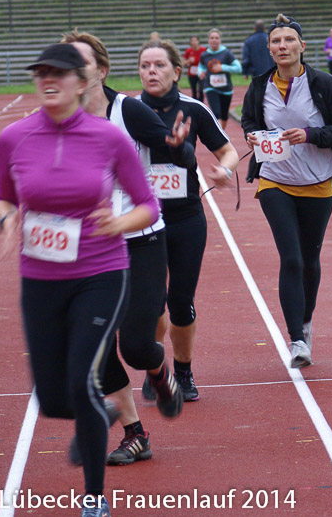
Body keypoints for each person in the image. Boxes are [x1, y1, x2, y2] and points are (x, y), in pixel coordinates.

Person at [0, 43, 159, 517]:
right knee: (53, 398)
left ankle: (94, 498)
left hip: (100, 272)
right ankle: (100, 412)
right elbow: (3, 196)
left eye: (60, 72)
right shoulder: (13, 138)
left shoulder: (107, 137)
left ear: (82, 82)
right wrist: (6, 219)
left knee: (82, 375)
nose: (49, 79)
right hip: (40, 276)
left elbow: (148, 205)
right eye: (41, 72)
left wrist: (119, 223)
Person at [61, 30, 192, 466]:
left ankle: (158, 372)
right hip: (90, 249)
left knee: (136, 345)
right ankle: (136, 435)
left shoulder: (128, 111)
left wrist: (178, 146)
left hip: (141, 242)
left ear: (100, 70)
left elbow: (178, 152)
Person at [241, 14, 332, 369]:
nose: (283, 46)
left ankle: (306, 323)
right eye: (276, 41)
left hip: (317, 183)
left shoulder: (323, 84)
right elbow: (249, 120)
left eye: (289, 40)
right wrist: (252, 135)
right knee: (290, 258)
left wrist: (309, 135)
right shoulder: (259, 85)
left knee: (309, 260)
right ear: (269, 49)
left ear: (302, 46)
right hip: (275, 181)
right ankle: (296, 340)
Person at [138, 35, 239, 409]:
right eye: (145, 66)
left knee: (180, 302)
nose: (152, 71)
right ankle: (155, 369)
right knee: (150, 304)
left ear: (177, 71)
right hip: (142, 221)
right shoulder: (128, 111)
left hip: (185, 219)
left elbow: (228, 151)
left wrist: (225, 171)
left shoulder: (194, 109)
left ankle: (183, 370)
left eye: (159, 65)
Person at [198, 28, 241, 130]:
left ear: (220, 40)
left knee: (224, 115)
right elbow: (201, 66)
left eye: (216, 38)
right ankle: (220, 136)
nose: (214, 40)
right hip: (210, 87)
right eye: (212, 38)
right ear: (208, 40)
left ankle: (222, 132)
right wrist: (200, 73)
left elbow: (238, 68)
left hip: (226, 89)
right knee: (216, 113)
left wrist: (223, 67)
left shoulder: (226, 53)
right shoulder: (204, 54)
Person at [183, 35, 206, 101]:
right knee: (194, 91)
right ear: (190, 43)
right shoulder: (188, 51)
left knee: (201, 90)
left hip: (201, 73)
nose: (194, 42)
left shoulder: (203, 50)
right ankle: (195, 104)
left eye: (195, 40)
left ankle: (201, 103)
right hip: (192, 74)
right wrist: (189, 61)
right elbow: (183, 63)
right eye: (192, 41)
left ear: (198, 42)